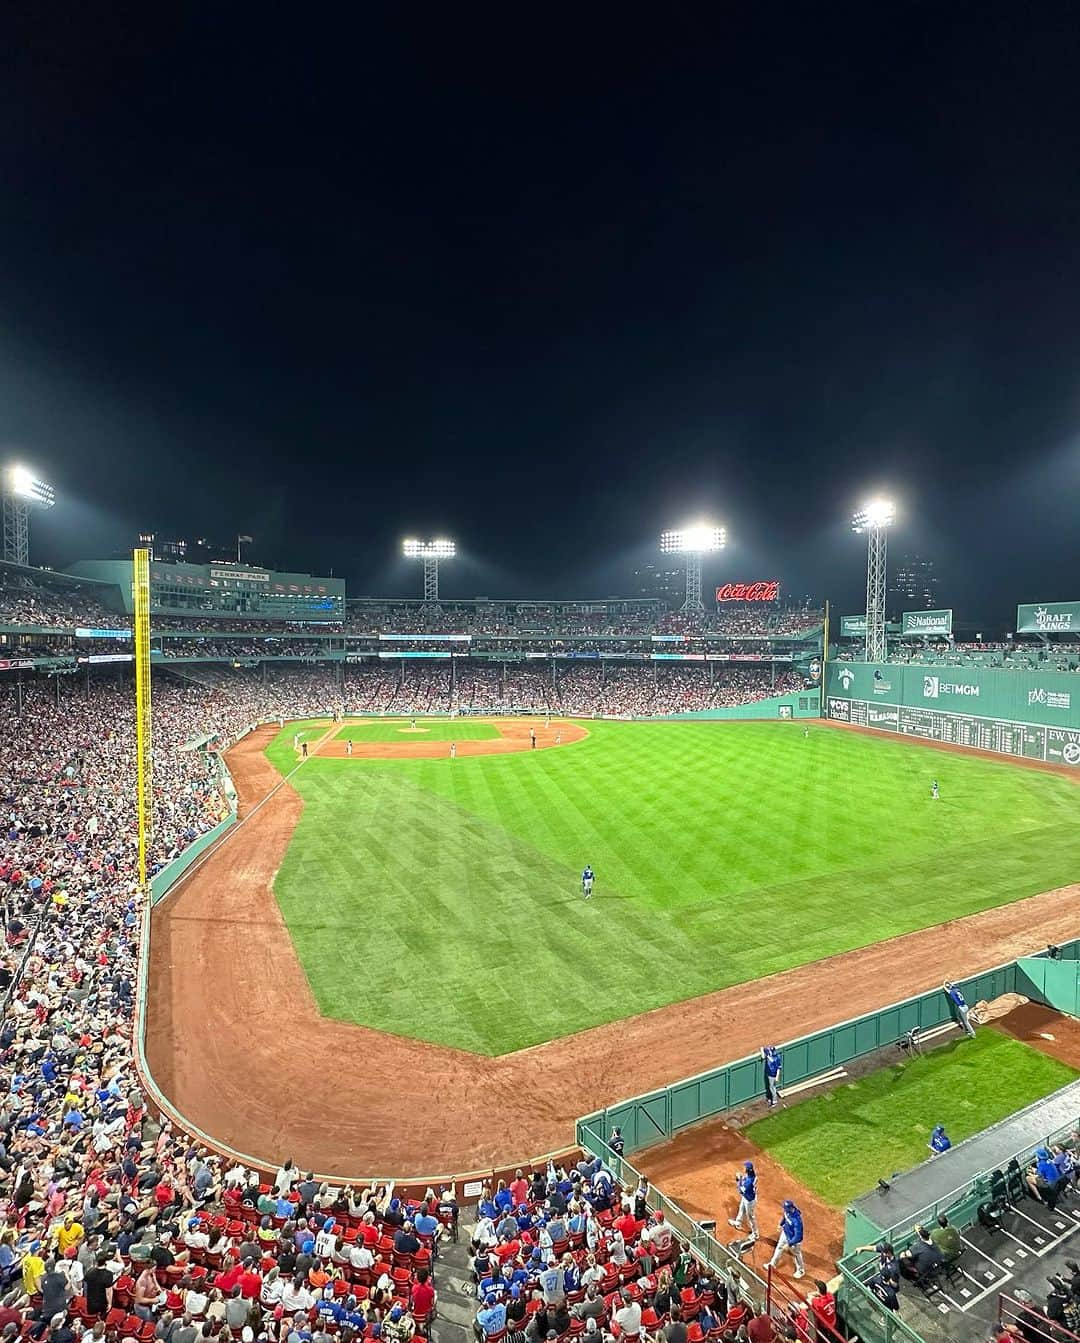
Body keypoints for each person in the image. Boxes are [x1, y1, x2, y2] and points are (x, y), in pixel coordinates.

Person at [767, 1200, 804, 1279]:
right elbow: (784, 1218)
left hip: (795, 1240)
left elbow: (798, 1235)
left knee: (796, 1254)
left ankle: (801, 1270)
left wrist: (789, 1244)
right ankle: (772, 1264)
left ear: (791, 1208)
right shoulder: (787, 1212)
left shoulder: (797, 1220)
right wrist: (780, 1225)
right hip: (785, 1233)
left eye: (786, 1208)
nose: (784, 1210)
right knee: (779, 1247)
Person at [728, 1161, 759, 1241]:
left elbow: (741, 1190)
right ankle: (738, 1223)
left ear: (748, 1170)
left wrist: (738, 1180)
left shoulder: (749, 1182)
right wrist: (742, 1178)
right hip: (747, 1197)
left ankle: (755, 1234)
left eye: (745, 1168)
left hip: (749, 1200)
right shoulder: (752, 1175)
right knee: (741, 1209)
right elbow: (746, 1178)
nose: (744, 1168)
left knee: (751, 1217)